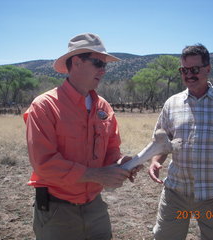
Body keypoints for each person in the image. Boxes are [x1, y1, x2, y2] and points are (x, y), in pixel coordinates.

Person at [24, 33, 139, 240]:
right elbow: (44, 164)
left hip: (95, 207)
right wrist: (97, 175)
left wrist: (121, 163)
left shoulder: (103, 107)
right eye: (98, 63)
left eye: (105, 65)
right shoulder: (44, 106)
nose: (103, 70)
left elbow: (111, 150)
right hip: (57, 211)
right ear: (76, 62)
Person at [149, 44, 213, 240]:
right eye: (184, 70)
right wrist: (156, 160)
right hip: (175, 193)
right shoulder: (172, 103)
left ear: (208, 69)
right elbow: (162, 141)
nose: (189, 74)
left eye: (195, 69)